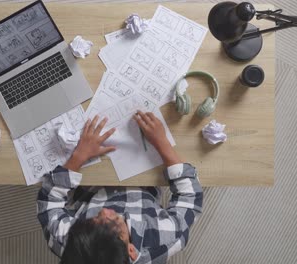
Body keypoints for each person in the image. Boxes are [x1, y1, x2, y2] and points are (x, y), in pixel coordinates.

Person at [37, 110, 203, 264]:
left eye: (93, 220)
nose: (103, 212)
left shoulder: (73, 245)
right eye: (115, 222)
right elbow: (190, 198)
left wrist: (79, 155)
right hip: (144, 181)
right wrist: (162, 143)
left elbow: (49, 204)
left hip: (91, 180)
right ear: (131, 249)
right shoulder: (164, 238)